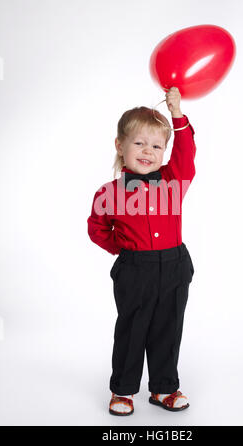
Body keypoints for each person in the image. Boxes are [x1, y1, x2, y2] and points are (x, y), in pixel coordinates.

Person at [87, 87, 196, 416]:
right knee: (132, 330)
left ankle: (164, 388)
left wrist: (177, 114)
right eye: (139, 143)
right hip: (135, 269)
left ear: (165, 151)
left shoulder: (174, 181)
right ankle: (122, 390)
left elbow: (187, 153)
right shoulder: (109, 193)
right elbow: (97, 228)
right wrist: (124, 250)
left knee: (168, 327)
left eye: (156, 145)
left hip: (175, 264)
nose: (148, 151)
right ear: (120, 145)